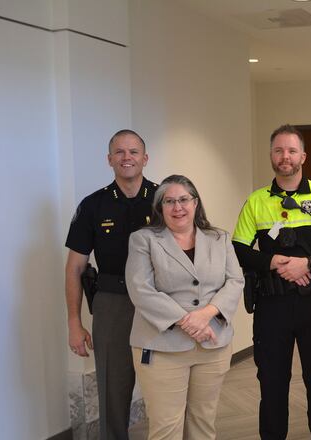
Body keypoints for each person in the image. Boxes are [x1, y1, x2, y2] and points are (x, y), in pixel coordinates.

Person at [232, 124, 311, 440]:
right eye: (278, 150)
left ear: (303, 156)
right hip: (272, 306)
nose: (285, 156)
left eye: (291, 150)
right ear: (271, 155)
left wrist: (309, 263)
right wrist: (271, 261)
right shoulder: (256, 201)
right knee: (272, 383)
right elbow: (238, 249)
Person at [125, 174, 243, 439]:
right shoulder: (144, 239)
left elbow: (235, 280)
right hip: (162, 347)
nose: (177, 207)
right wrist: (188, 321)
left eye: (183, 200)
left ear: (195, 203)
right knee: (166, 427)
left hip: (213, 345)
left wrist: (206, 314)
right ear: (160, 207)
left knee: (203, 423)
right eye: (169, 201)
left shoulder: (219, 238)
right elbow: (140, 289)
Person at [64, 129, 156, 440]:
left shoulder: (164, 199)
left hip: (158, 303)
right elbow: (75, 268)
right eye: (119, 152)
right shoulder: (93, 205)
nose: (126, 157)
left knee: (165, 388)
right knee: (112, 393)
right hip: (112, 303)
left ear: (145, 158)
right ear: (109, 159)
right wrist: (74, 323)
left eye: (133, 152)